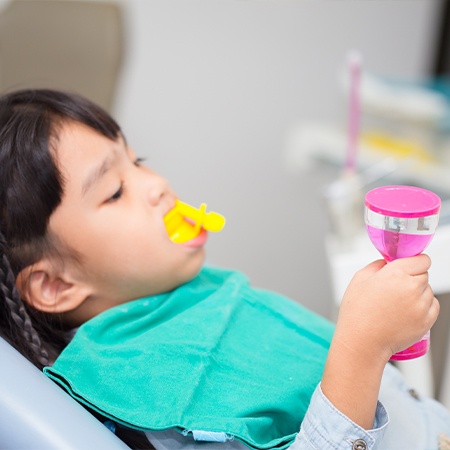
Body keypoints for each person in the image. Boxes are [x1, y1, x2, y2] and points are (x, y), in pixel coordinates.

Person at [0, 88, 449, 450]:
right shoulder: (152, 394)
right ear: (55, 284)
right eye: (115, 191)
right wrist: (362, 348)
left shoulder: (194, 297)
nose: (158, 185)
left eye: (139, 162)